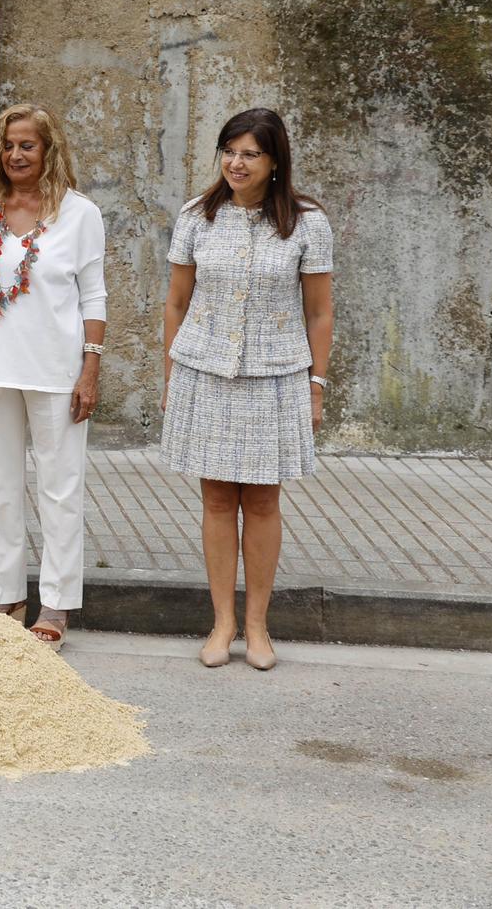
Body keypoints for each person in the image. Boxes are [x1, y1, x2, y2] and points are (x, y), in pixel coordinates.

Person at [161, 107, 334, 672]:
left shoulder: (307, 223)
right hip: (205, 372)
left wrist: (316, 386)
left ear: (274, 159)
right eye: (229, 151)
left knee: (261, 499)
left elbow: (319, 312)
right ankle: (222, 623)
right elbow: (177, 303)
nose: (236, 163)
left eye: (250, 154)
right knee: (215, 498)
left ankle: (258, 625)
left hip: (276, 375)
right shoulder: (197, 216)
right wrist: (170, 381)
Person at [0, 104, 106, 647]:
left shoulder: (79, 213)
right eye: (8, 144)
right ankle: (6, 596)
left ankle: (56, 607)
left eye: (27, 145)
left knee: (60, 489)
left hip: (57, 372)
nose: (15, 155)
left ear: (48, 149)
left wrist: (90, 369)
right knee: (2, 488)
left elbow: (94, 295)